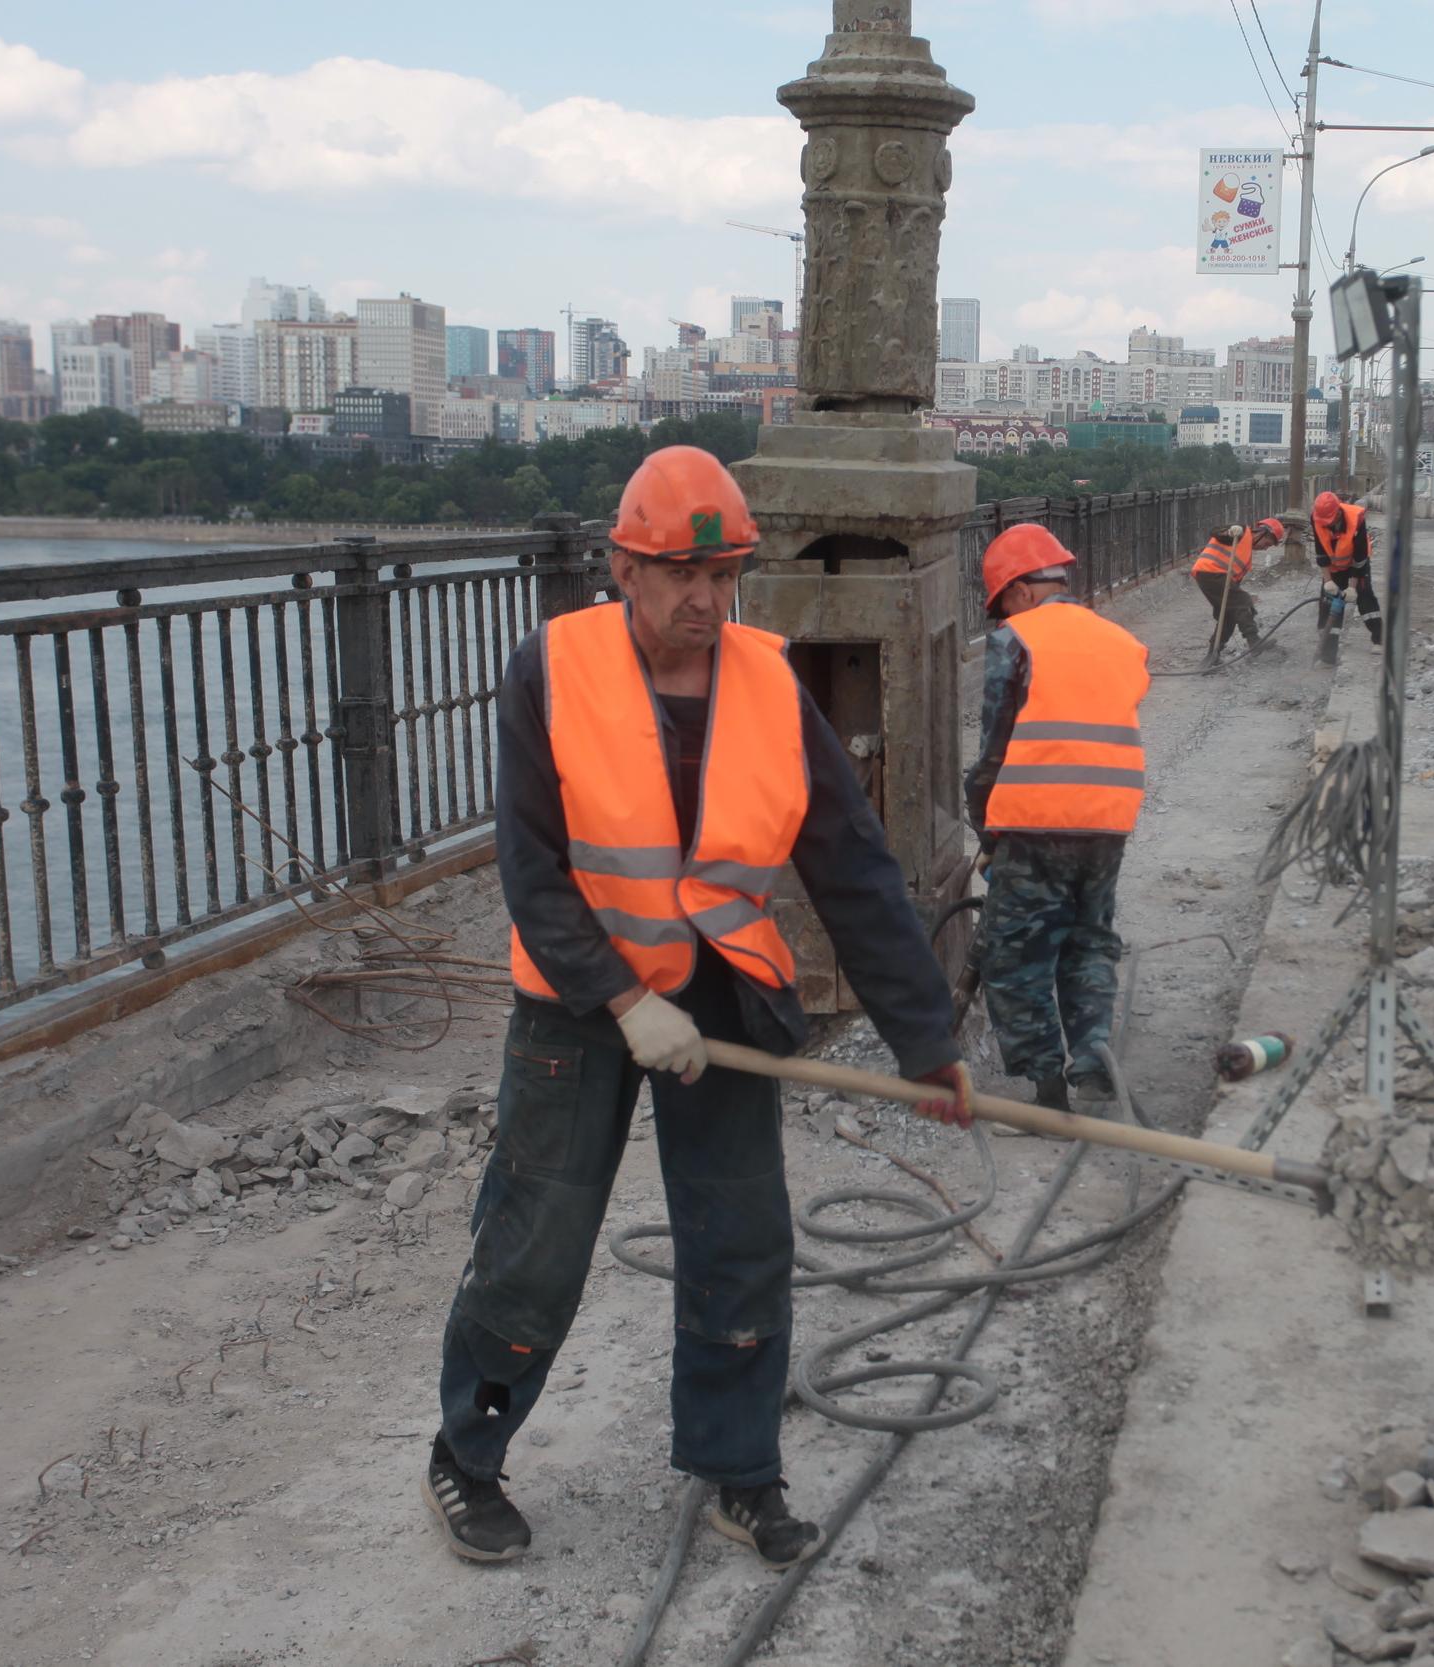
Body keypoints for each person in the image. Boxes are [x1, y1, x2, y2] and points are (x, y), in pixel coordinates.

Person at [425, 446, 973, 1572]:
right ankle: (466, 1456)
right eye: (680, 574)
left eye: (723, 576)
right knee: (536, 1239)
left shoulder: (769, 681)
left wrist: (926, 1038)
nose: (705, 601)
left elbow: (852, 866)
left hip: (720, 994)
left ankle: (739, 1471)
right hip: (580, 1002)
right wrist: (622, 995)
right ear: (622, 566)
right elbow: (531, 868)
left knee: (743, 1241)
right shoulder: (552, 667)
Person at [964, 524, 1150, 1111]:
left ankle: (1046, 1085)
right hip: (1109, 819)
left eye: (1000, 607)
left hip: (1035, 820)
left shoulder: (1016, 640)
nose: (1001, 619)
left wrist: (983, 823)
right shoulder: (1120, 640)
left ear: (1019, 591)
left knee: (1015, 951)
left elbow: (996, 747)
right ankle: (1093, 1054)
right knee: (1090, 939)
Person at [1309, 489, 1383, 663]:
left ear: (1338, 513)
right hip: (1334, 568)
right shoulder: (1317, 518)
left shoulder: (1356, 518)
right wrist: (1328, 581)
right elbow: (1321, 552)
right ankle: (1327, 654)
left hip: (1356, 564)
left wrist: (1351, 586)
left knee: (1365, 599)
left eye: (1330, 520)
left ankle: (1379, 639)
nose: (1327, 524)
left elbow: (1359, 557)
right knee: (1328, 603)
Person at [1192, 516, 1286, 653]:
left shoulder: (1246, 552)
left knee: (1230, 614)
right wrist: (1229, 532)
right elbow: (1215, 531)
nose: (1265, 549)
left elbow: (1235, 584)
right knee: (1243, 601)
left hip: (1213, 576)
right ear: (1262, 532)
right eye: (1267, 543)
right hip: (1211, 572)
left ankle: (1214, 653)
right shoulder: (1241, 531)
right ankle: (1254, 642)